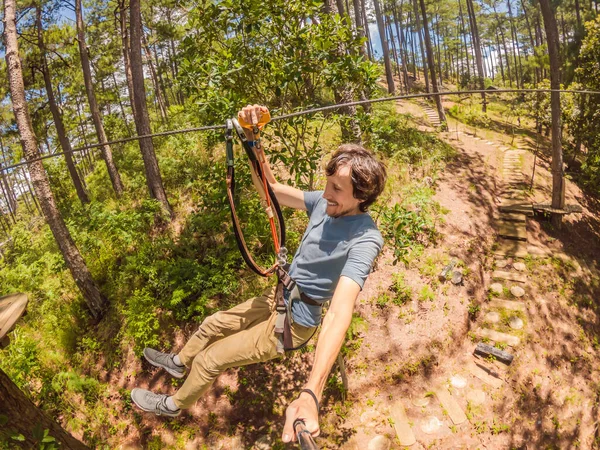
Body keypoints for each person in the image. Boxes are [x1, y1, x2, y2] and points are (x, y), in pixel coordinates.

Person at [130, 105, 387, 444]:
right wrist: (253, 140)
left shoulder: (365, 239)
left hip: (294, 323)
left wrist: (312, 391)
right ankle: (177, 362)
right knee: (211, 323)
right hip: (278, 296)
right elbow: (271, 189)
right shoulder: (325, 203)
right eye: (328, 184)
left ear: (363, 195)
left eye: (337, 189)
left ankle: (173, 404)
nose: (326, 194)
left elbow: (340, 311)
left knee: (210, 359)